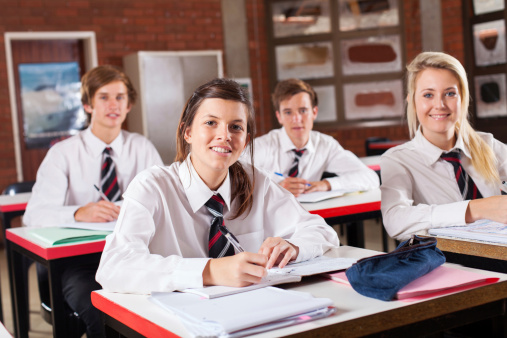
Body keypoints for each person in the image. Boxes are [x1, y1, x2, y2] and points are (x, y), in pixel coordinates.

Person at [96, 78, 339, 294]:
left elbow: (321, 230)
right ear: (187, 132)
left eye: (236, 127)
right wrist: (210, 271)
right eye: (211, 122)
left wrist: (294, 246)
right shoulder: (152, 187)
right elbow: (114, 267)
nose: (225, 136)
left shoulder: (257, 182)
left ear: (245, 141)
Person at [24, 65, 163, 337]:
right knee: (103, 315)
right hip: (82, 264)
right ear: (88, 105)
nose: (113, 104)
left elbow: (163, 203)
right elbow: (33, 216)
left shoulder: (142, 148)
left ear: (129, 104)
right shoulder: (62, 154)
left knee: (159, 311)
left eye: (120, 97)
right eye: (104, 97)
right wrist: (77, 213)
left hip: (135, 255)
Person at [381, 51, 507, 241]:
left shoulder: (486, 144)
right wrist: (474, 209)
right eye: (428, 95)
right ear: (413, 102)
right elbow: (395, 221)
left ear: (462, 98)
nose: (439, 105)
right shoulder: (398, 160)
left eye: (449, 93)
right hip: (450, 263)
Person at [250, 78, 379, 197]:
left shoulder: (325, 145)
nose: (296, 119)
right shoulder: (262, 146)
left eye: (303, 111)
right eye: (288, 112)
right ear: (279, 117)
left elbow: (369, 177)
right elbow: (233, 178)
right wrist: (275, 185)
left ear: (314, 112)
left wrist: (326, 184)